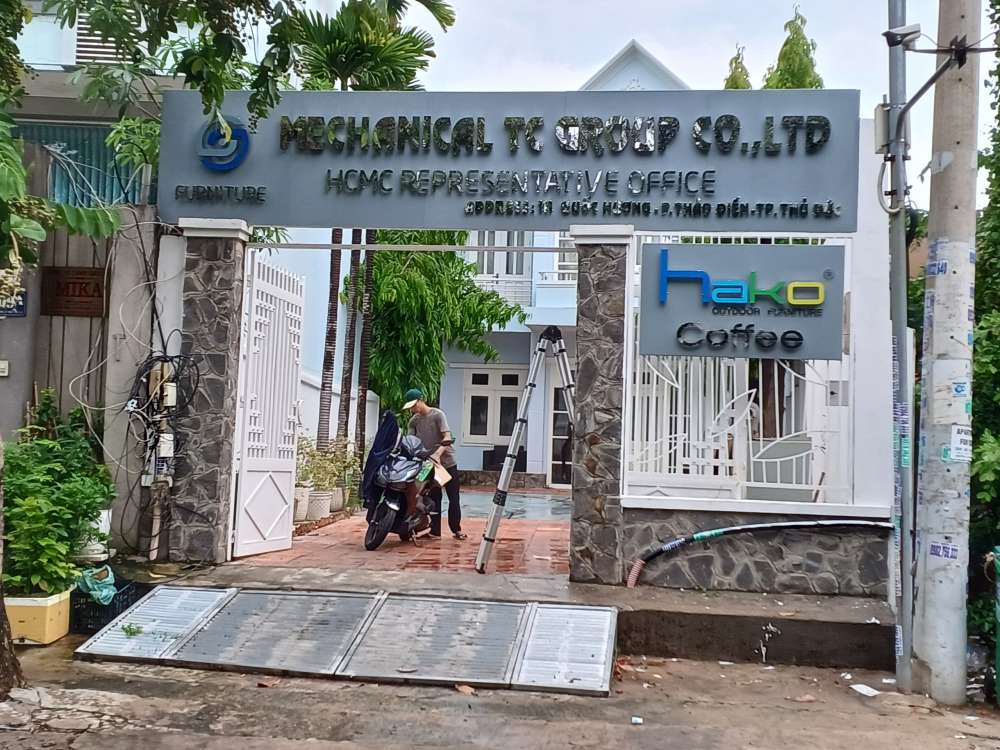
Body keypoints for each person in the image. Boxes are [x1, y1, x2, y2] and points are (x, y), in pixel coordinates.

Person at [402, 388, 466, 540]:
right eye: (410, 407)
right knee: (433, 497)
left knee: (453, 497)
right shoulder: (414, 421)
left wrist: (438, 454)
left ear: (421, 400)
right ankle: (435, 531)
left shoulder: (438, 415)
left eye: (413, 405)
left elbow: (447, 436)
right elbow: (410, 442)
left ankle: (456, 530)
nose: (412, 409)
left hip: (447, 463)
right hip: (428, 465)